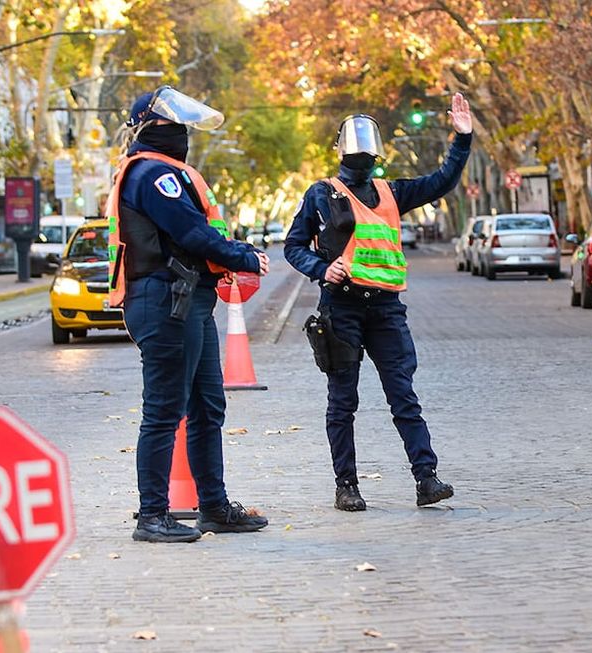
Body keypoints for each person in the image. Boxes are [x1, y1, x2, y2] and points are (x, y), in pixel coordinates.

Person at [285, 92, 473, 511]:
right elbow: (293, 246)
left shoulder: (391, 192)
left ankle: (427, 479)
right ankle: (346, 486)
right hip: (342, 308)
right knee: (343, 402)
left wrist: (462, 139)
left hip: (387, 310)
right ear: (339, 150)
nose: (361, 154)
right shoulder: (321, 194)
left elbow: (441, 180)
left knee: (404, 397)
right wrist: (321, 269)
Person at [107, 86, 271, 542]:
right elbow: (192, 233)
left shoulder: (166, 173)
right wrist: (242, 255)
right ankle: (152, 516)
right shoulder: (152, 175)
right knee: (163, 411)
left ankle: (214, 508)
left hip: (189, 299)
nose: (181, 134)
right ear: (149, 128)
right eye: (172, 125)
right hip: (165, 301)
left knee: (207, 407)